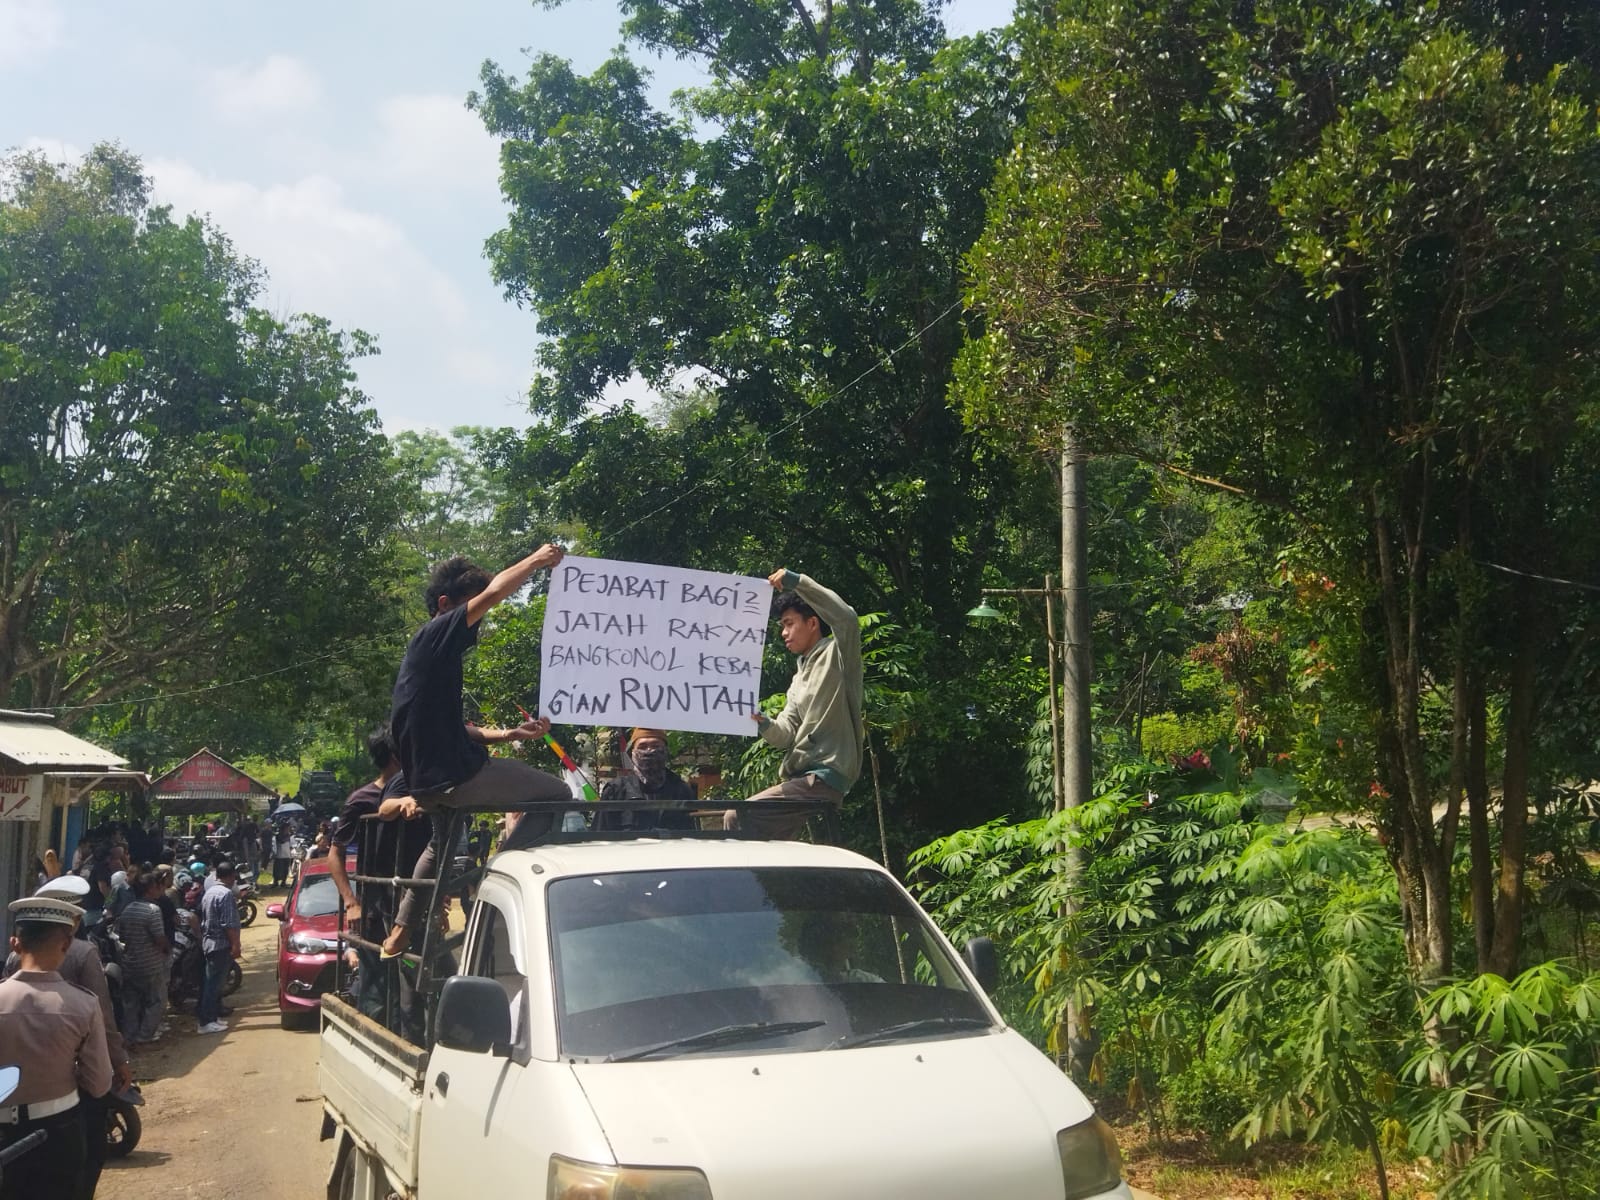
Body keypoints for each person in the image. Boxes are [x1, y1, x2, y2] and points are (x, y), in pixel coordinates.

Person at [379, 547, 575, 958]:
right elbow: (496, 592)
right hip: (458, 776)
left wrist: (507, 734)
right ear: (447, 605)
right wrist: (537, 561)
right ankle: (501, 870)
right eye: (473, 610)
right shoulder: (435, 635)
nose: (479, 621)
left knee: (440, 844)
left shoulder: (426, 662)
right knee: (558, 795)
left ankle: (398, 932)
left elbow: (454, 728)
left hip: (429, 785)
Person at [726, 568, 863, 837]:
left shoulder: (837, 655)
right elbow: (786, 735)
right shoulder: (798, 677)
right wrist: (761, 721)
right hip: (801, 779)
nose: (784, 633)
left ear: (812, 623)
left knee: (737, 816)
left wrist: (797, 582)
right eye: (782, 626)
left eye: (789, 623)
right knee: (773, 848)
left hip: (823, 777)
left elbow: (847, 619)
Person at [0, 895, 114, 1200]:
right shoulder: (83, 1005)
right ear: (66, 944)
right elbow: (100, 1083)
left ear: (15, 943)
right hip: (59, 1134)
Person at [596, 728, 697, 832]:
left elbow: (693, 838)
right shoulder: (615, 791)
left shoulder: (681, 790)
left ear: (665, 751)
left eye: (656, 746)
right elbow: (599, 838)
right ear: (633, 752)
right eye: (642, 747)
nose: (649, 751)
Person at [114, 874, 169, 1045]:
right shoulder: (153, 910)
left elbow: (121, 935)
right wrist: (166, 951)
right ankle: (144, 1036)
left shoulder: (127, 909)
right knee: (157, 1001)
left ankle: (129, 1037)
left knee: (132, 1003)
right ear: (150, 889)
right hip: (150, 964)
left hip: (130, 964)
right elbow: (159, 938)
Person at [196, 862, 241, 1034]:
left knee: (212, 983)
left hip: (209, 942)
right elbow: (228, 923)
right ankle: (206, 1021)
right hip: (220, 943)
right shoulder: (226, 894)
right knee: (213, 984)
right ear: (231, 876)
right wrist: (236, 944)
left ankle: (212, 1018)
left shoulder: (210, 892)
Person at [271, 822, 294, 888]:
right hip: (279, 855)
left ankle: (283, 882)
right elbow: (281, 841)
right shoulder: (278, 836)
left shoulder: (289, 836)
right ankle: (275, 882)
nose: (288, 830)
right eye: (287, 828)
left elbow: (291, 846)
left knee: (285, 870)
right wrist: (288, 837)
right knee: (277, 869)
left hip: (287, 855)